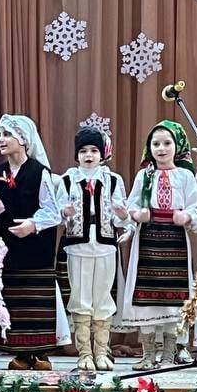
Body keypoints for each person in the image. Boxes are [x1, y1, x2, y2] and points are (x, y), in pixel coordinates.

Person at [0, 114, 65, 371]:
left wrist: (32, 224)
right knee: (15, 299)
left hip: (36, 249)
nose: (1, 139)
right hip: (9, 248)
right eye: (0, 134)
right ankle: (20, 352)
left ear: (24, 140)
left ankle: (40, 352)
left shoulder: (40, 172)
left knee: (36, 298)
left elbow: (53, 212)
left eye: (7, 135)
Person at [119, 120, 197, 370]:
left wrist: (186, 216)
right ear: (149, 148)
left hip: (175, 243)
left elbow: (196, 206)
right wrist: (137, 214)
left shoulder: (185, 176)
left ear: (178, 146)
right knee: (146, 299)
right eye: (156, 144)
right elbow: (131, 205)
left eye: (167, 143)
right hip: (148, 241)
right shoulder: (144, 175)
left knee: (175, 300)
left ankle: (168, 355)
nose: (161, 148)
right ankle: (147, 355)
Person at [60, 126, 131, 372]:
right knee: (80, 297)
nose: (88, 155)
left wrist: (123, 216)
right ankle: (84, 353)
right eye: (83, 151)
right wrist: (65, 213)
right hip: (77, 245)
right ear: (76, 155)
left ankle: (102, 351)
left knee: (103, 297)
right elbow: (57, 212)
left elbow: (121, 218)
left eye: (93, 150)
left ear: (102, 154)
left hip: (105, 245)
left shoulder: (113, 180)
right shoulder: (67, 180)